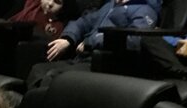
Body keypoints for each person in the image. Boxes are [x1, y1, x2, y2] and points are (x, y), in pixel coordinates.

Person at [27, 0, 160, 87]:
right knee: (38, 70)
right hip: (82, 59)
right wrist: (68, 39)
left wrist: (90, 42)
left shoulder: (144, 10)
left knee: (53, 77)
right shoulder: (110, 6)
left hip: (104, 63)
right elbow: (83, 22)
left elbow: (134, 40)